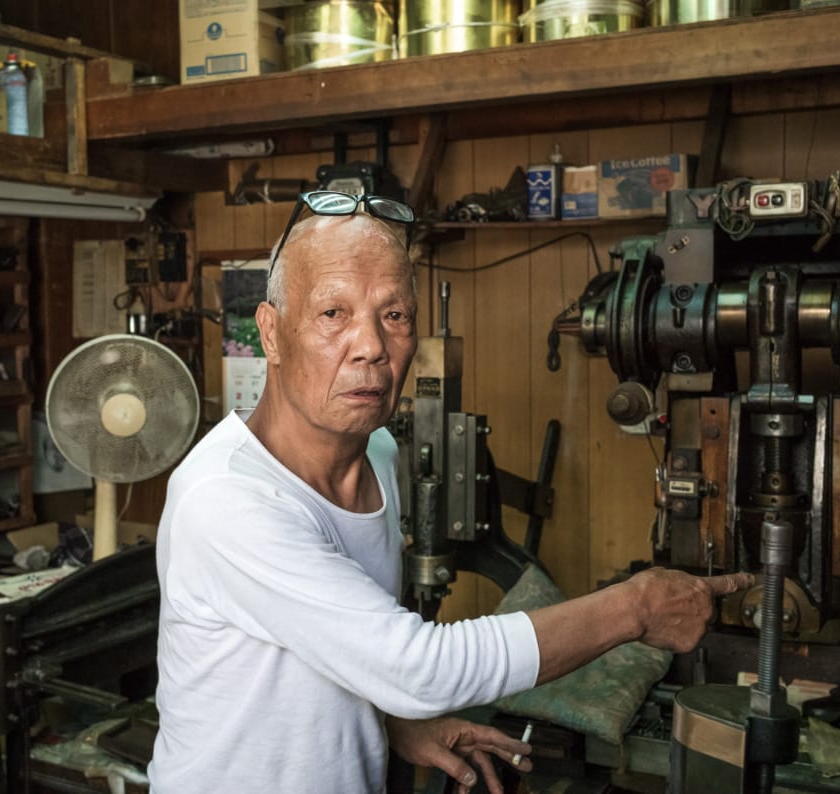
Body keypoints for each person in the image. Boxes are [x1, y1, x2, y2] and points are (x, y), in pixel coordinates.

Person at [149, 194, 752, 793]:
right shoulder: (227, 499)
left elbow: (325, 652)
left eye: (395, 316)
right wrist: (635, 607)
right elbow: (419, 668)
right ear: (272, 334)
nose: (372, 347)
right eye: (333, 314)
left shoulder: (379, 453)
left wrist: (394, 723)